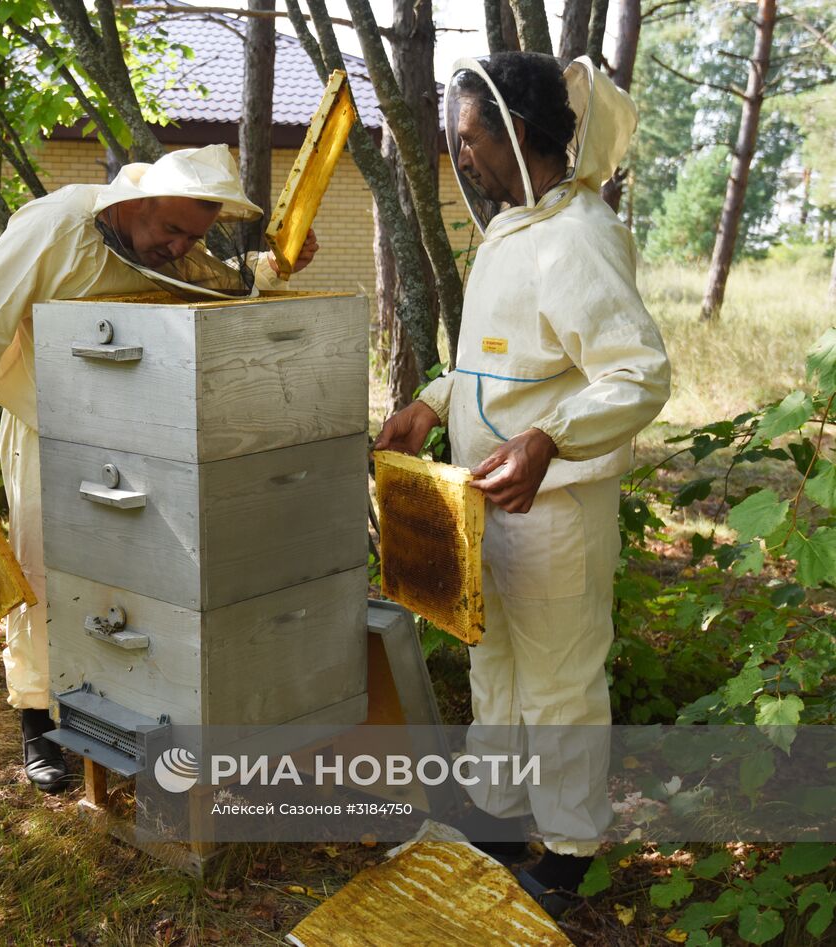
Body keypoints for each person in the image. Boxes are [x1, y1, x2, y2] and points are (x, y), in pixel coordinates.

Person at [375, 53, 670, 916]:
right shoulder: (513, 232)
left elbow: (637, 374)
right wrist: (432, 403)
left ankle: (572, 850)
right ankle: (502, 818)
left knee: (561, 680)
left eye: (470, 138)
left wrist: (553, 439)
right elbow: (496, 369)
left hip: (556, 509)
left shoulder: (579, 235)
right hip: (487, 499)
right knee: (493, 657)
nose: (462, 156)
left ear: (517, 130)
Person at [0, 145, 319, 793]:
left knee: (124, 582)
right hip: (46, 422)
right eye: (172, 230)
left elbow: (215, 278)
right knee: (40, 570)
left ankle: (110, 709)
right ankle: (36, 715)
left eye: (190, 234)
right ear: (137, 203)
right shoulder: (57, 225)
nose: (177, 246)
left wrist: (273, 266)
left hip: (129, 435)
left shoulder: (163, 241)